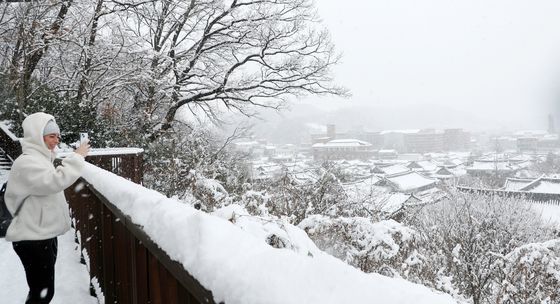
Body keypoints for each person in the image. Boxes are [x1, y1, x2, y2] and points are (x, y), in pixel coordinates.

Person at [4, 112, 90, 304]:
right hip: (31, 237)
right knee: (42, 293)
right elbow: (54, 182)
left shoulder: (41, 160)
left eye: (57, 136)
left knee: (41, 291)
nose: (56, 141)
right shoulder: (27, 162)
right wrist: (77, 157)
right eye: (51, 136)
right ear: (37, 136)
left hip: (41, 234)